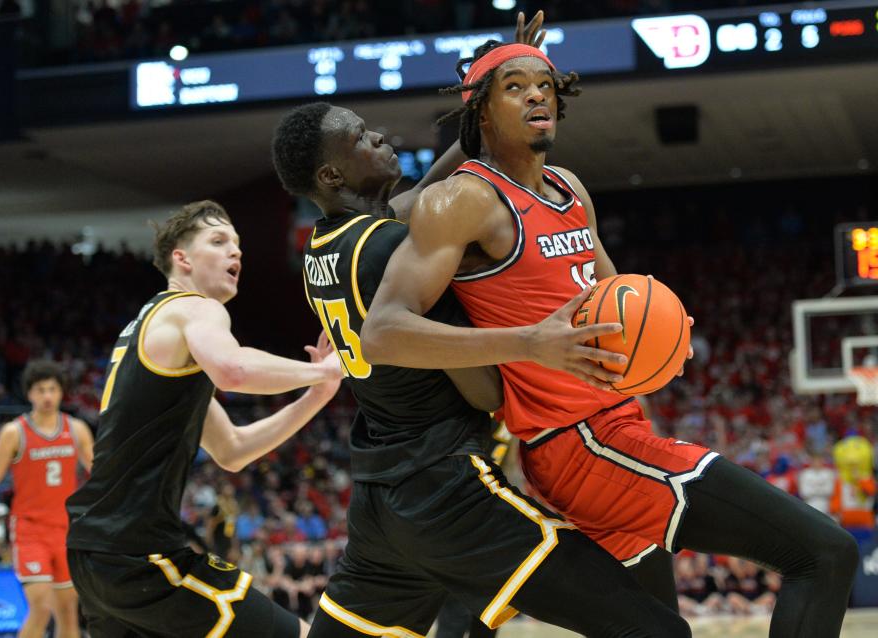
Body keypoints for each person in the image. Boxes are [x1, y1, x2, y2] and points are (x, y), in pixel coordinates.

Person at [359, 39, 859, 637]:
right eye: (513, 87)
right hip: (577, 445)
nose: (537, 94)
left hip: (619, 426)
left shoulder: (570, 189)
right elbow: (382, 333)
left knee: (660, 631)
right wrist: (529, 344)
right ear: (482, 113)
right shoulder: (463, 199)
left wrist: (661, 341)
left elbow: (616, 299)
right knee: (825, 552)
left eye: (543, 84)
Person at [272, 55, 691, 638]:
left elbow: (421, 195)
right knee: (655, 628)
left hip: (380, 494)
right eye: (362, 139)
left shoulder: (329, 246)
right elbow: (484, 385)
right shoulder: (391, 248)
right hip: (447, 485)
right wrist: (529, 346)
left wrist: (482, 100)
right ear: (332, 176)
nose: (380, 137)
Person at [65, 200, 342, 638]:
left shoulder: (155, 331)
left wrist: (317, 394)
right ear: (182, 258)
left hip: (94, 554)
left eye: (238, 246)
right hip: (141, 553)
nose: (236, 253)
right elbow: (233, 369)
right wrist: (322, 370)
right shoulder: (194, 308)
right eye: (218, 241)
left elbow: (232, 450)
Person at [0, 360, 95, 638]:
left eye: (52, 389)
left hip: (66, 530)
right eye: (41, 390)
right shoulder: (13, 432)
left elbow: (101, 473)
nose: (47, 396)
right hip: (30, 530)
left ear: (62, 393)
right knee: (41, 607)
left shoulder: (76, 429)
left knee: (68, 611)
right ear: (30, 394)